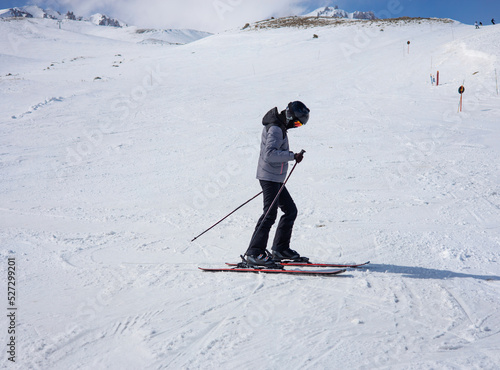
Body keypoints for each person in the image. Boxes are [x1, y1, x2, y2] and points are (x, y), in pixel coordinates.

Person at [245, 101, 310, 268]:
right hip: (269, 177)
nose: (296, 126)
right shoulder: (275, 128)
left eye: (300, 124)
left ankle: (280, 249)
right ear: (289, 115)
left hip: (275, 177)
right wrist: (292, 156)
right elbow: (270, 155)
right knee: (270, 214)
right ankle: (254, 252)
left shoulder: (280, 127)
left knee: (290, 210)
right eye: (296, 122)